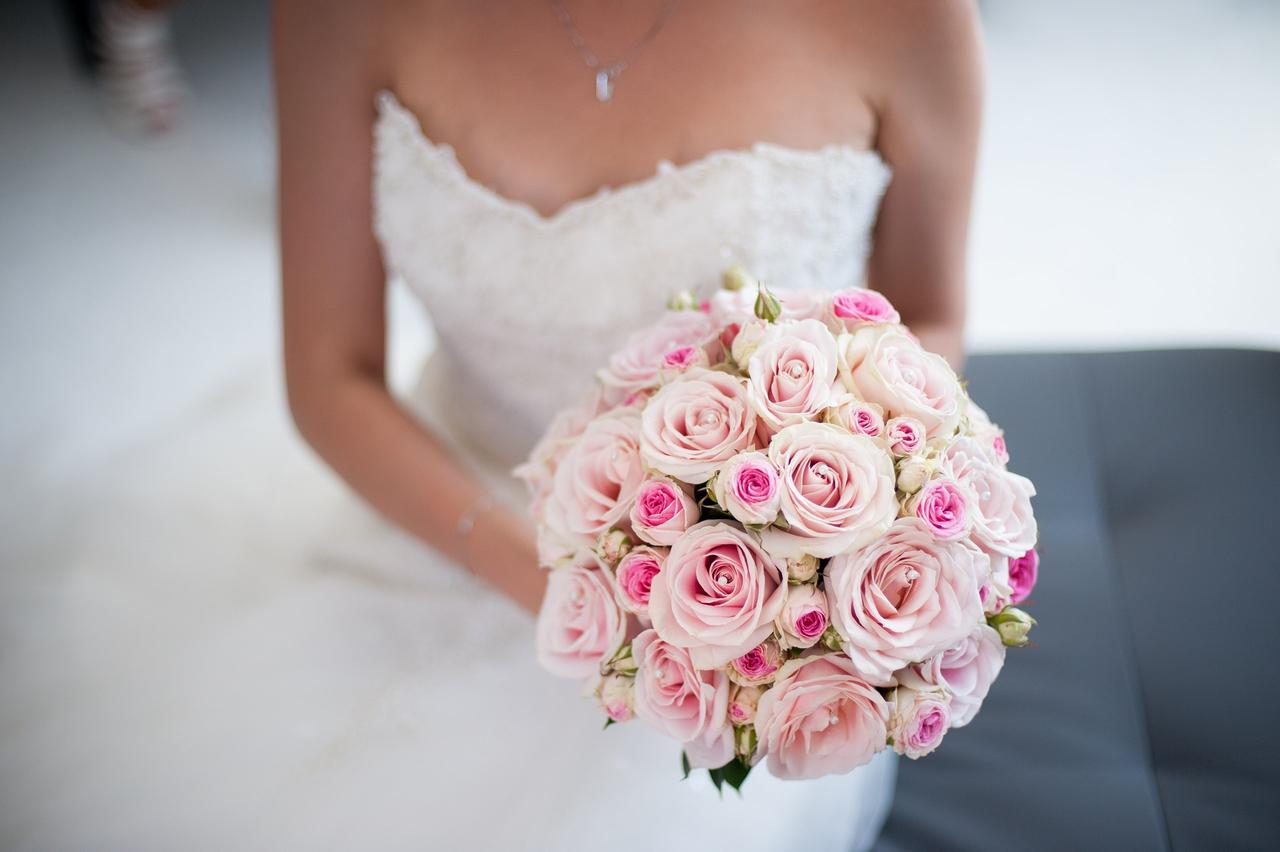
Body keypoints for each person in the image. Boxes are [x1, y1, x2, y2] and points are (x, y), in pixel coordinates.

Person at [274, 1, 981, 848]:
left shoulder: (909, 19)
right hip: (441, 506)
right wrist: (564, 587)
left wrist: (806, 556)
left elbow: (928, 317)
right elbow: (328, 377)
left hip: (737, 617)